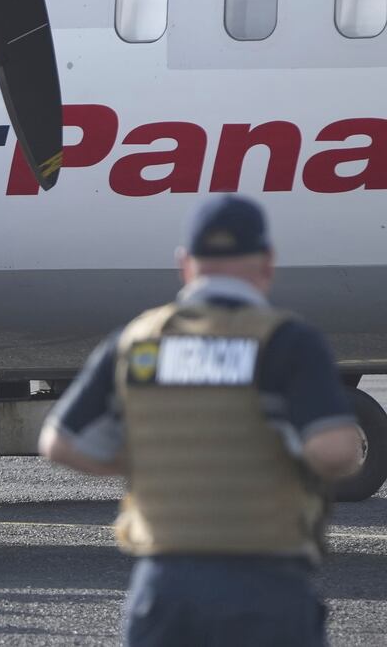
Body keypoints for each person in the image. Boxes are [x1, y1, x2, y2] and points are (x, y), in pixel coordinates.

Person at [40, 195, 363, 647]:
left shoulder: (138, 341)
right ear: (267, 262)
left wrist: (150, 463)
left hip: (164, 587)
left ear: (185, 264)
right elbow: (334, 452)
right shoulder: (287, 342)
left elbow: (58, 441)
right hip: (265, 581)